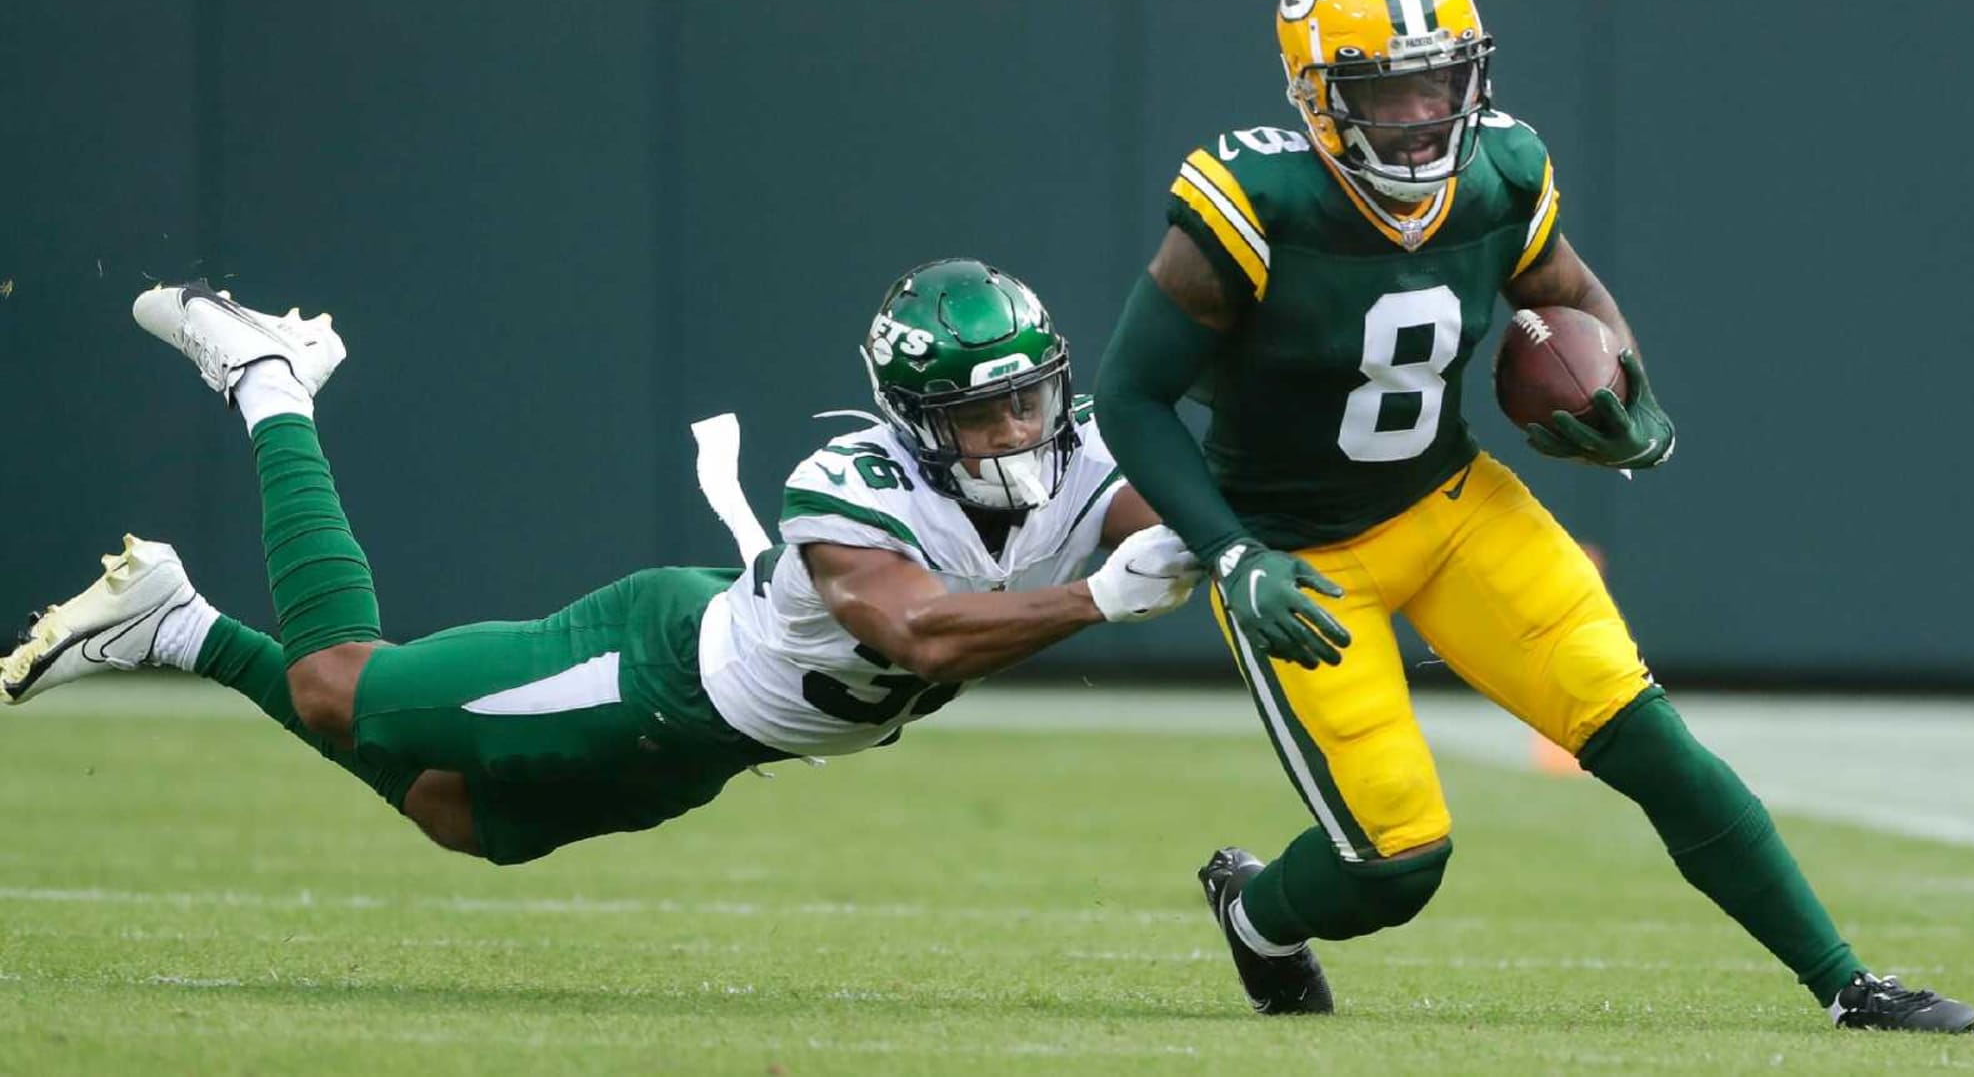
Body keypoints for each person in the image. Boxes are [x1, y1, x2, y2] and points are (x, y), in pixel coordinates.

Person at [1092, 0, 1974, 1033]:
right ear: (1315, 95)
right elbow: (1129, 396)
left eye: (1441, 81)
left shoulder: (1503, 169)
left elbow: (1572, 297)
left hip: (1450, 508)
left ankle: (1846, 985)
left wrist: (1629, 401)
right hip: (1297, 555)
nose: (1423, 115)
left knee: (1644, 735)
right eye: (1390, 90)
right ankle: (1256, 914)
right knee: (1395, 864)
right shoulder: (1250, 201)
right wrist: (1231, 552)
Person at [4, 260, 1200, 868]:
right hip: (655, 671)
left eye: (1028, 402)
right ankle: (267, 384)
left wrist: (1222, 544)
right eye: (981, 415)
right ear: (915, 418)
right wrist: (1098, 595)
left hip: (729, 744)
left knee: (462, 823)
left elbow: (1177, 517)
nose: (1015, 435)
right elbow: (918, 635)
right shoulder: (849, 486)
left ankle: (175, 626)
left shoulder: (1083, 452)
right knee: (337, 687)